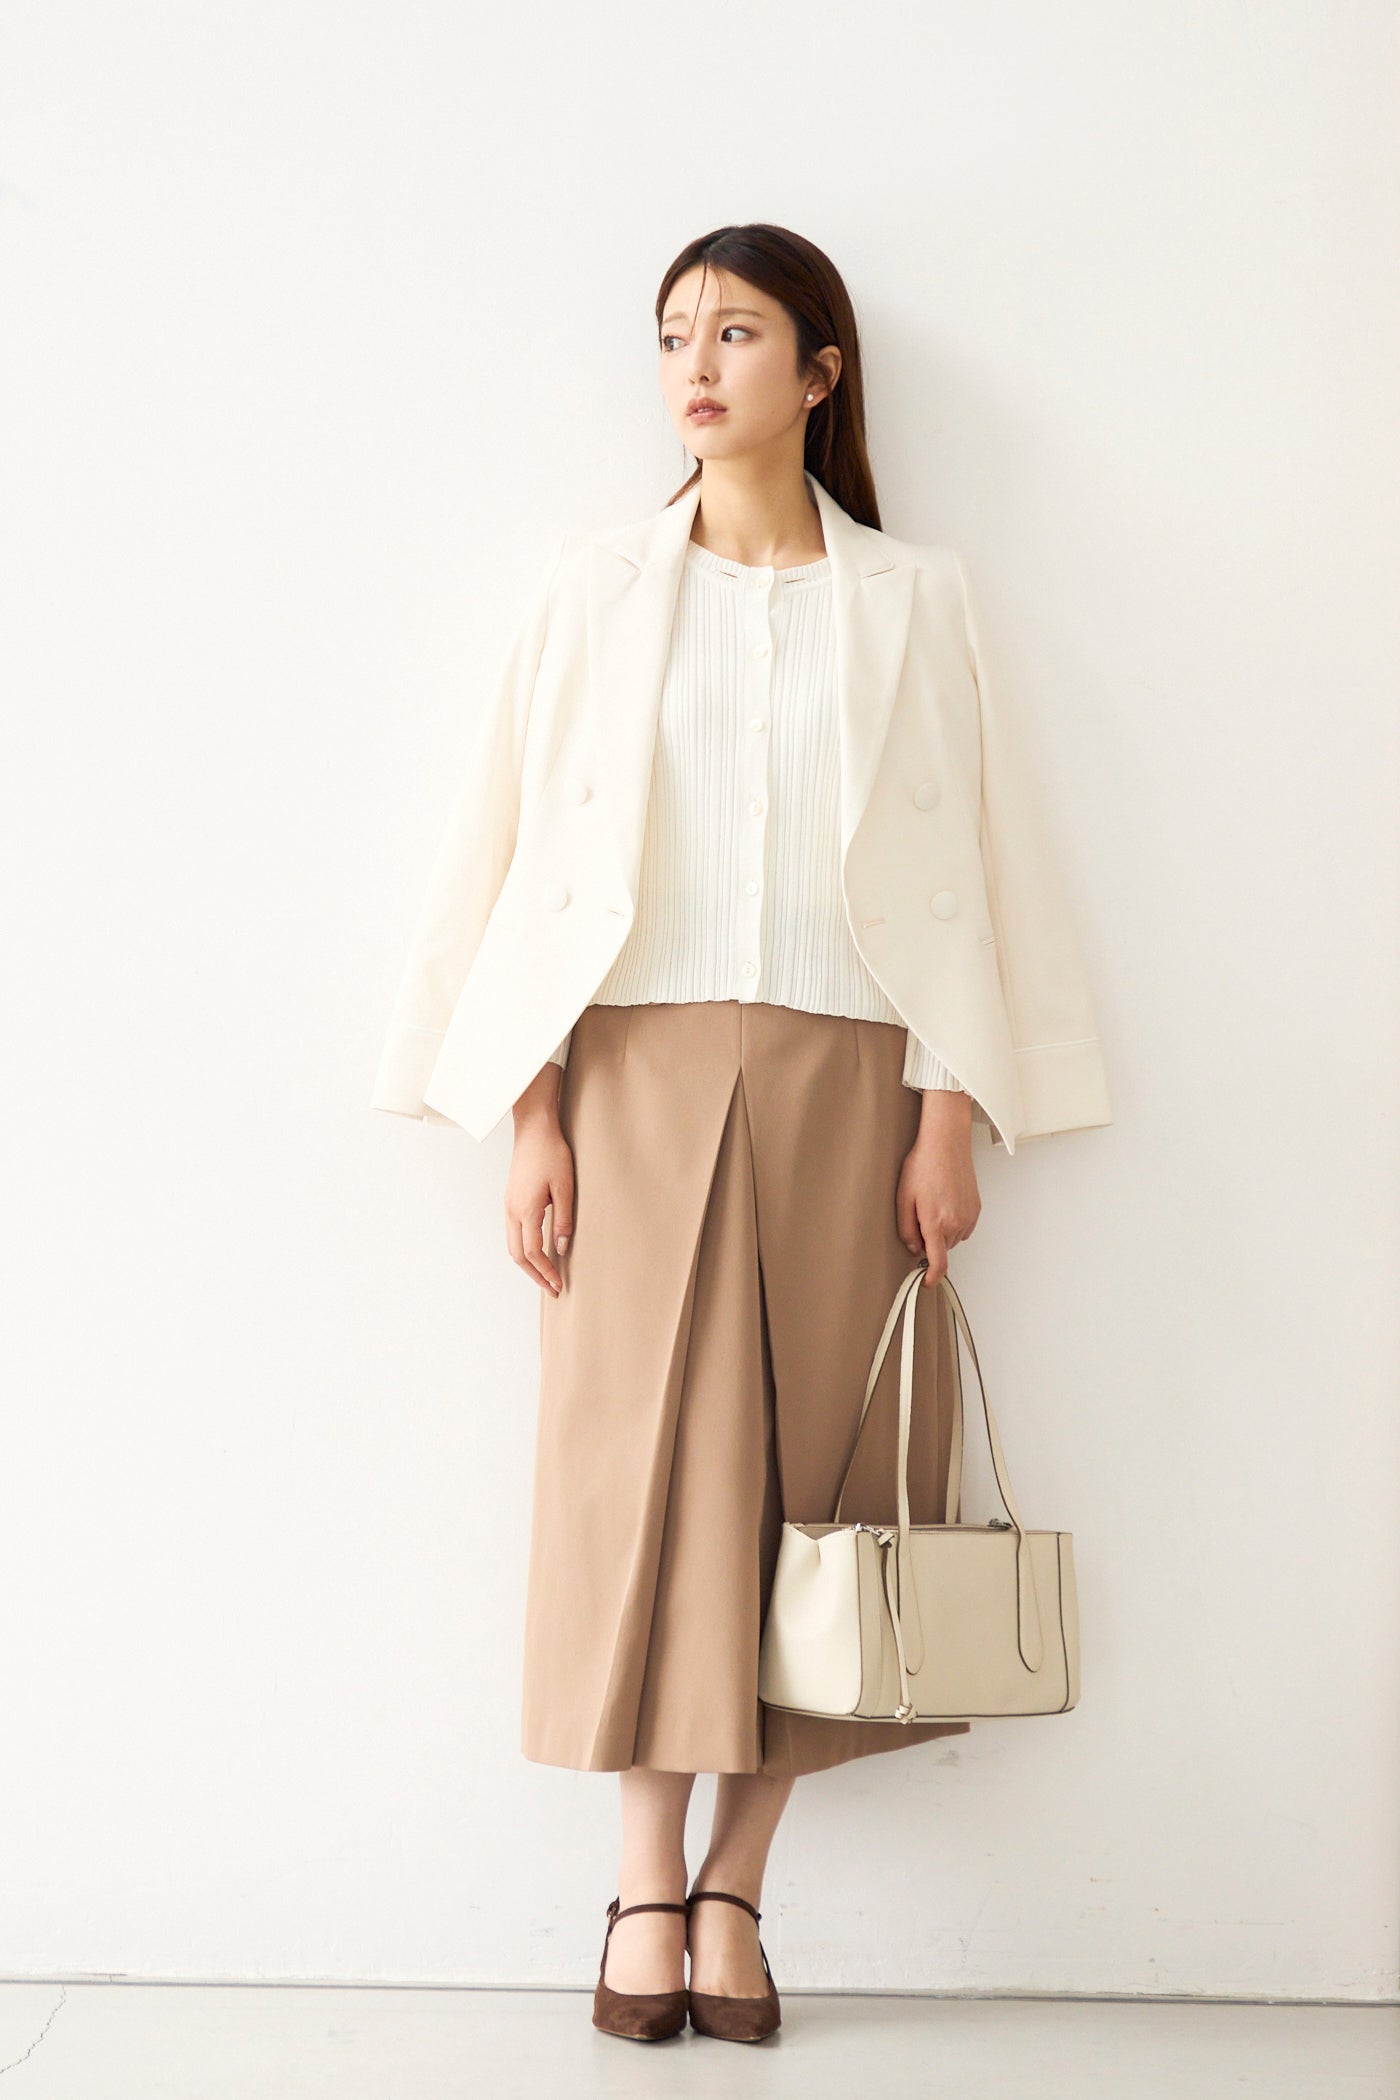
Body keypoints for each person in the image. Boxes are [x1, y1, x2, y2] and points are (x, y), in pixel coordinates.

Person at [371, 222, 1113, 2044]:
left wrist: (949, 1117)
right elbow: (526, 856)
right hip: (632, 1083)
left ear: (820, 369)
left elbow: (970, 865)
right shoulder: (597, 591)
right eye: (672, 337)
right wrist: (533, 1112)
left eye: (737, 332)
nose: (694, 367)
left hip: (855, 1086)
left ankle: (735, 1892)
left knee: (824, 1493)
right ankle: (643, 1885)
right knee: (641, 1480)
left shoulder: (914, 597)